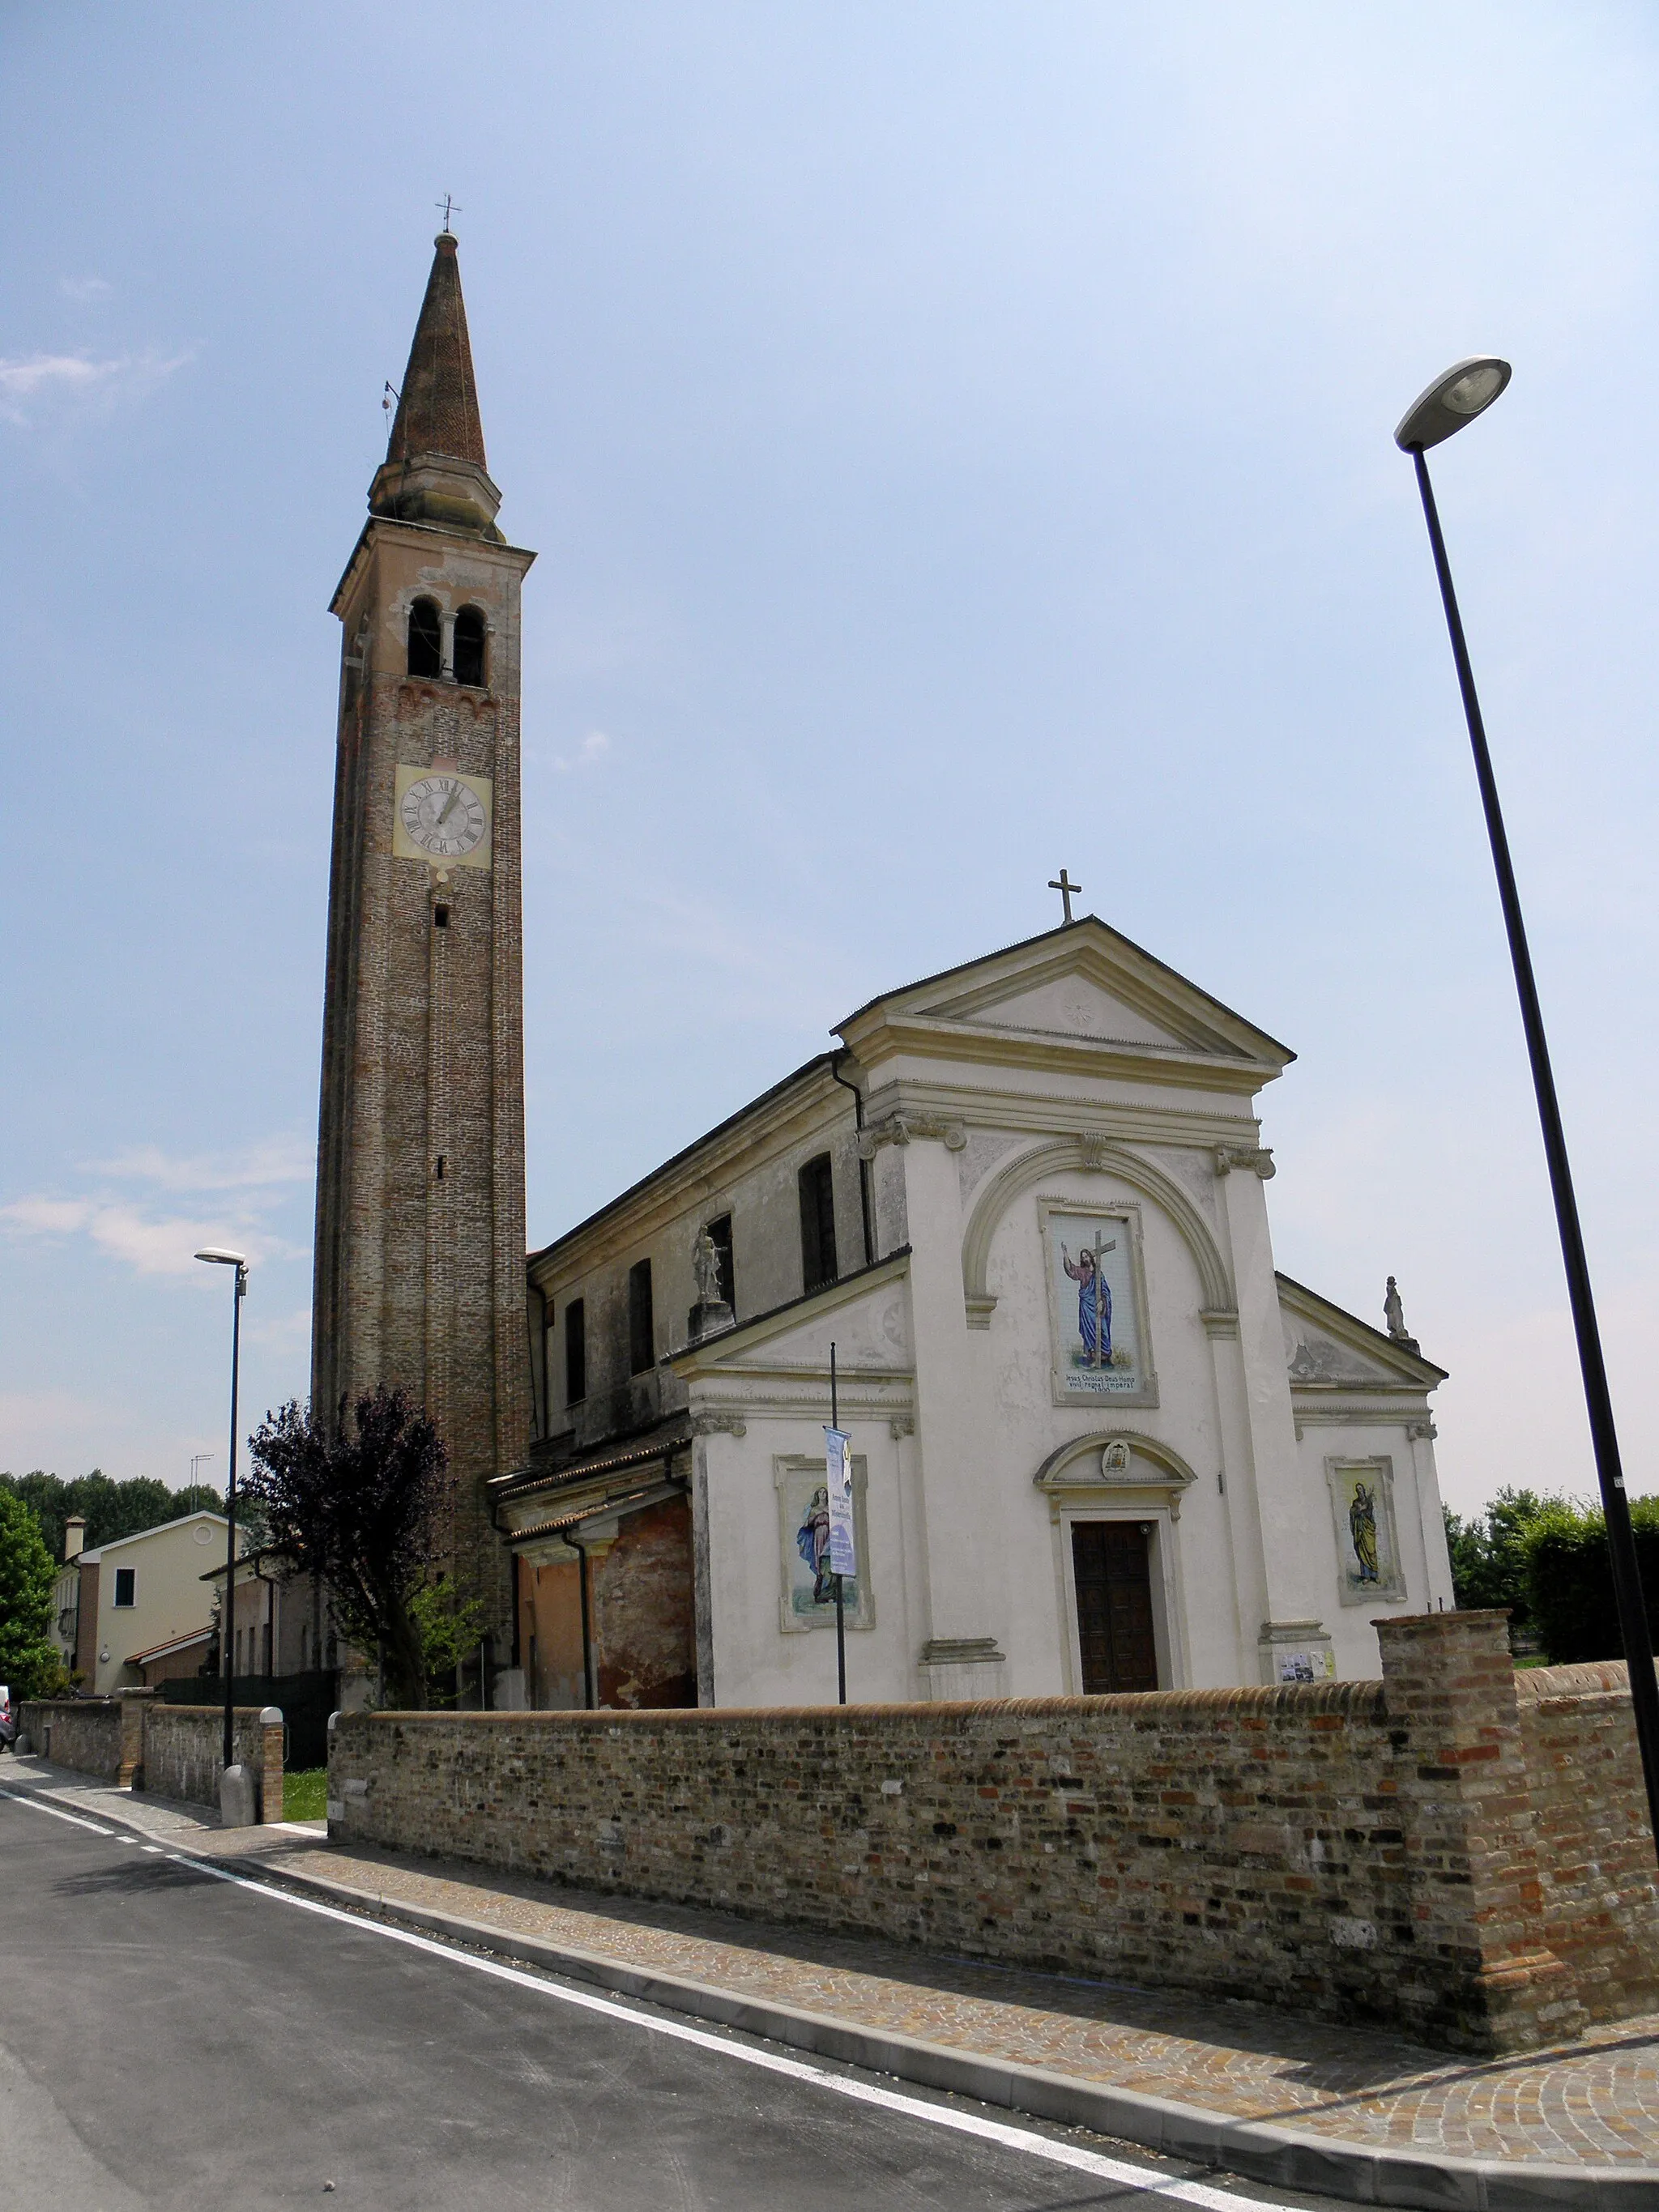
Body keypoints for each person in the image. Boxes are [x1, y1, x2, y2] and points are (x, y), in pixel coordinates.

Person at [1062, 1239, 1114, 1366]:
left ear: (1091, 1257)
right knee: (1089, 1330)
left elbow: (1105, 1290)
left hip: (1098, 1306)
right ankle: (1092, 1355)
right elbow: (1071, 1270)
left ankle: (1105, 1355)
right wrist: (1065, 1254)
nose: (1085, 1259)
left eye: (1086, 1256)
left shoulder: (1099, 1274)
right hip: (1086, 1305)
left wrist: (1102, 1301)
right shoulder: (1082, 1271)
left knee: (1103, 1329)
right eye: (1082, 1257)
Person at [1350, 1481, 1380, 1583]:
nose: (1359, 1491)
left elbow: (1369, 1514)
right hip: (1360, 1530)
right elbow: (1353, 1513)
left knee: (1371, 1551)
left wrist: (1365, 1508)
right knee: (1363, 1552)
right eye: (1357, 1490)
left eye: (1360, 1489)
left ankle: (1375, 1574)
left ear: (1363, 1490)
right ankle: (1366, 1576)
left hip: (1368, 1529)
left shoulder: (1369, 1502)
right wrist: (1359, 1510)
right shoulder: (1355, 1503)